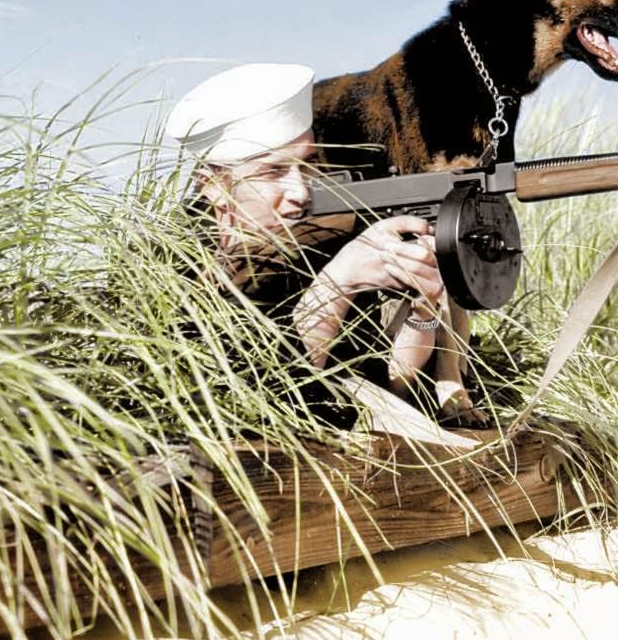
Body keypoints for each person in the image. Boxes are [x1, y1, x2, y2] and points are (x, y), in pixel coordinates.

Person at [166, 63, 446, 402]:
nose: (300, 190)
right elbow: (260, 403)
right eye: (273, 171)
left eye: (307, 165)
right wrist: (338, 283)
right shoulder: (168, 267)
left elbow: (392, 385)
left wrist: (423, 309)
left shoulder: (319, 242)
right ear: (214, 186)